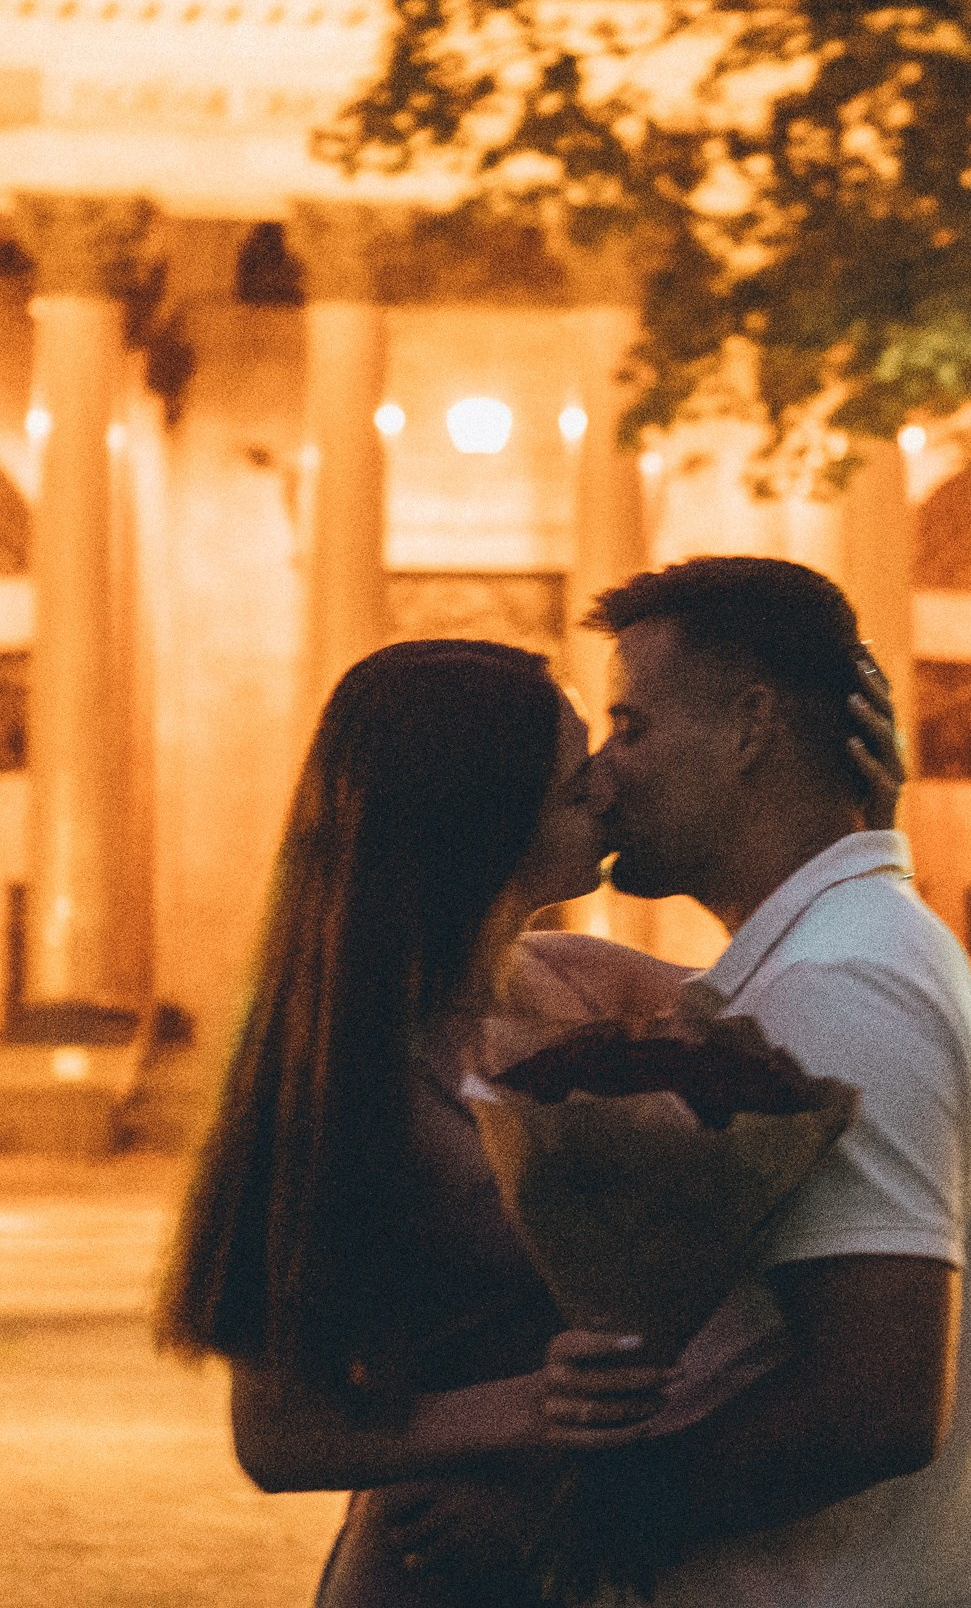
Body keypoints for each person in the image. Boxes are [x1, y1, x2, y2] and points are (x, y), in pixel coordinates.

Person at [156, 640, 691, 1608]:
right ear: (478, 820)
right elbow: (279, 1438)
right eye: (575, 787)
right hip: (435, 1567)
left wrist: (858, 823)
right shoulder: (347, 1076)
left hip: (595, 1549)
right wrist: (536, 1410)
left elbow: (821, 998)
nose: (608, 792)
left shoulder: (590, 982)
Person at [584, 557, 971, 1608]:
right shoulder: (848, 953)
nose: (605, 771)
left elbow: (869, 1404)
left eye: (632, 726)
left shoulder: (839, 983)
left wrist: (564, 1521)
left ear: (750, 727)